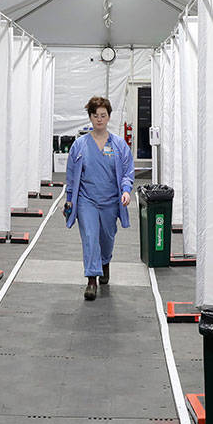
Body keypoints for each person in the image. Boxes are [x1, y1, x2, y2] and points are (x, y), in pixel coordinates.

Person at [63, 95, 135, 301]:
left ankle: (104, 262)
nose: (99, 119)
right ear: (90, 117)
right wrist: (69, 200)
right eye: (95, 116)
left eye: (103, 115)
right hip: (87, 201)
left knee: (107, 237)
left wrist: (126, 190)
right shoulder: (79, 145)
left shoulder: (120, 145)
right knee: (90, 237)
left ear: (109, 117)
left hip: (111, 201)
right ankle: (92, 279)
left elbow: (128, 172)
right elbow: (71, 175)